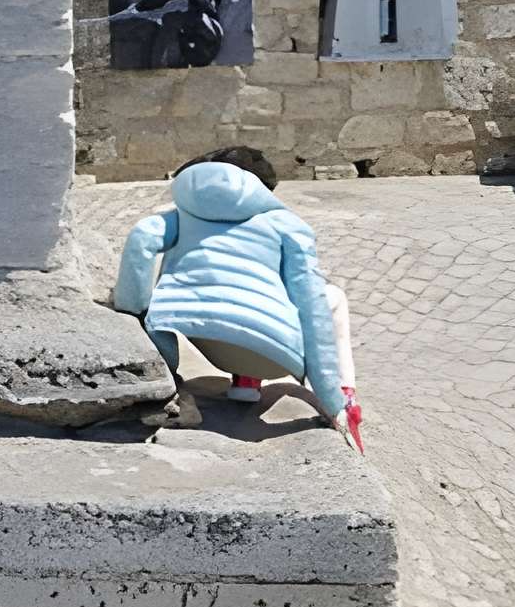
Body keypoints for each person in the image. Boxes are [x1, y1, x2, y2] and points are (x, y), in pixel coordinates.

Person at [111, 145, 351, 427]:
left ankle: (245, 382)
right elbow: (313, 312)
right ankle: (349, 394)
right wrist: (331, 400)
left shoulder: (184, 214)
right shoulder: (287, 224)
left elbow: (141, 239)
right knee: (331, 298)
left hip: (207, 342)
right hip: (273, 356)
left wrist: (136, 311)